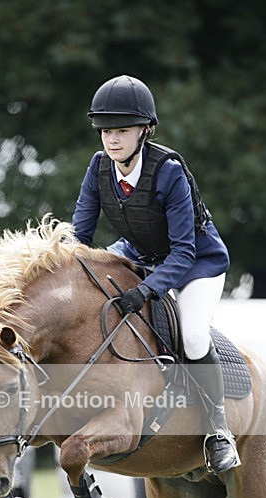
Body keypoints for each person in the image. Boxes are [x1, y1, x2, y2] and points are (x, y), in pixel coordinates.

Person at [72, 74, 240, 474]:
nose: (112, 140)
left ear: (144, 130)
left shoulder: (169, 171)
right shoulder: (98, 169)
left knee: (195, 335)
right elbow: (78, 237)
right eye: (106, 132)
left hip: (198, 263)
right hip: (140, 254)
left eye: (122, 131)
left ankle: (219, 432)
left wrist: (145, 291)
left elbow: (182, 252)